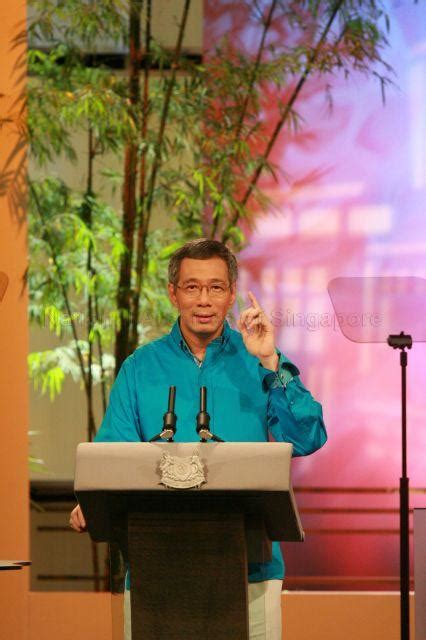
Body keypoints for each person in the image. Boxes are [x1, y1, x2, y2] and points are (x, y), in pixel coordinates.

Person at [70, 238, 327, 639]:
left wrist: (271, 360)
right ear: (174, 294)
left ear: (231, 296)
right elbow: (110, 457)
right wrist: (93, 500)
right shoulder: (140, 368)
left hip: (251, 572)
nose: (204, 300)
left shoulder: (260, 360)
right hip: (156, 568)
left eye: (216, 287)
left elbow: (308, 436)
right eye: (192, 287)